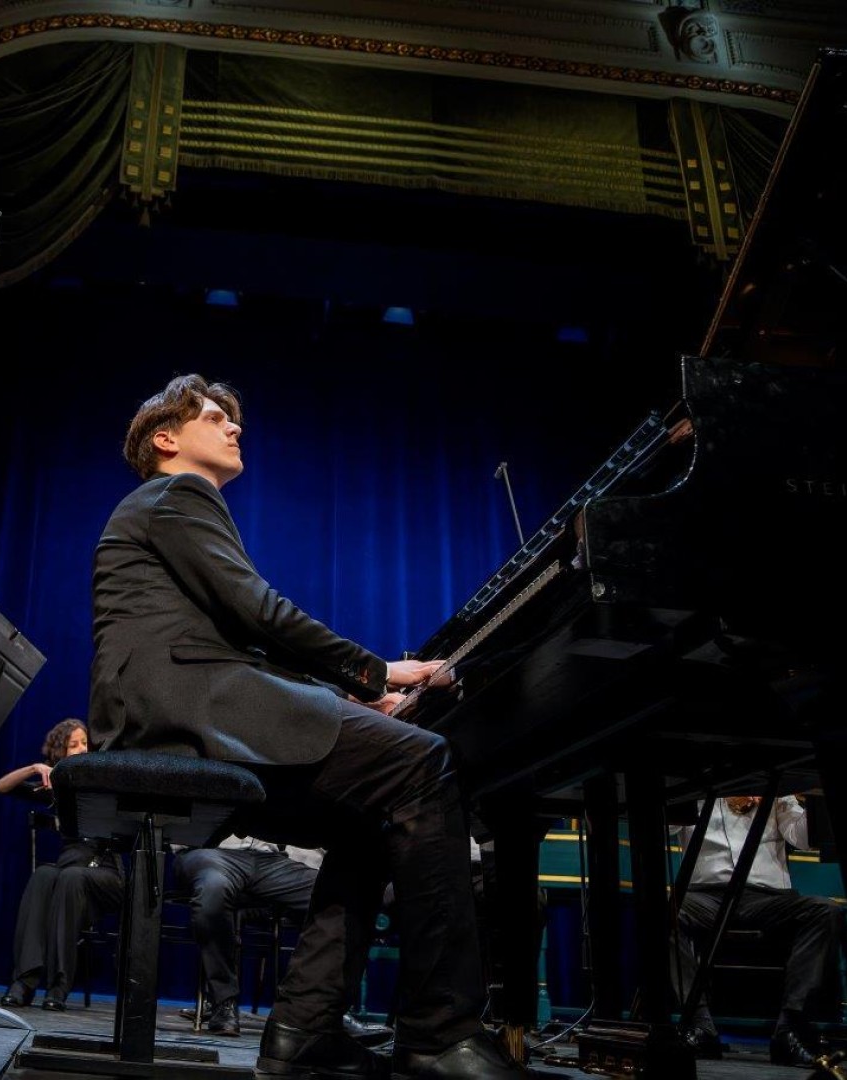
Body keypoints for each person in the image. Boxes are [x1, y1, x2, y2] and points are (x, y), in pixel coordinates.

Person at [89, 374, 526, 1079]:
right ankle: (440, 1033)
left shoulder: (167, 509)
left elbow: (243, 639)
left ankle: (303, 1029)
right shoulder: (177, 494)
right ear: (165, 440)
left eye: (232, 420)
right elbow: (259, 612)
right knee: (423, 763)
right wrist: (375, 674)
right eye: (214, 418)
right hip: (184, 712)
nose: (234, 428)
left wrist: (345, 694)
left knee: (367, 818)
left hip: (187, 705)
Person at [672, 795, 847, 1068]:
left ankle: (789, 1029)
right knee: (664, 913)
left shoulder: (777, 792)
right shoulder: (697, 791)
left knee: (826, 912)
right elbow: (668, 825)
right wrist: (694, 794)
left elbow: (803, 838)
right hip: (707, 894)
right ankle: (700, 1025)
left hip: (767, 897)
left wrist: (810, 792)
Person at [174, 835, 395, 1046]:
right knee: (214, 887)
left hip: (271, 861)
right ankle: (223, 1001)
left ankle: (325, 1011)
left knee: (341, 896)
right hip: (209, 853)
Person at [0, 717, 124, 1011]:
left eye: (84, 743)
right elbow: (2, 787)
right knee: (44, 874)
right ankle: (24, 982)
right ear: (61, 753)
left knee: (69, 877)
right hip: (70, 872)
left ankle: (59, 985)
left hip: (106, 874)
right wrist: (35, 768)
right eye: (73, 745)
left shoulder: (106, 782)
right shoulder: (58, 788)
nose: (81, 749)